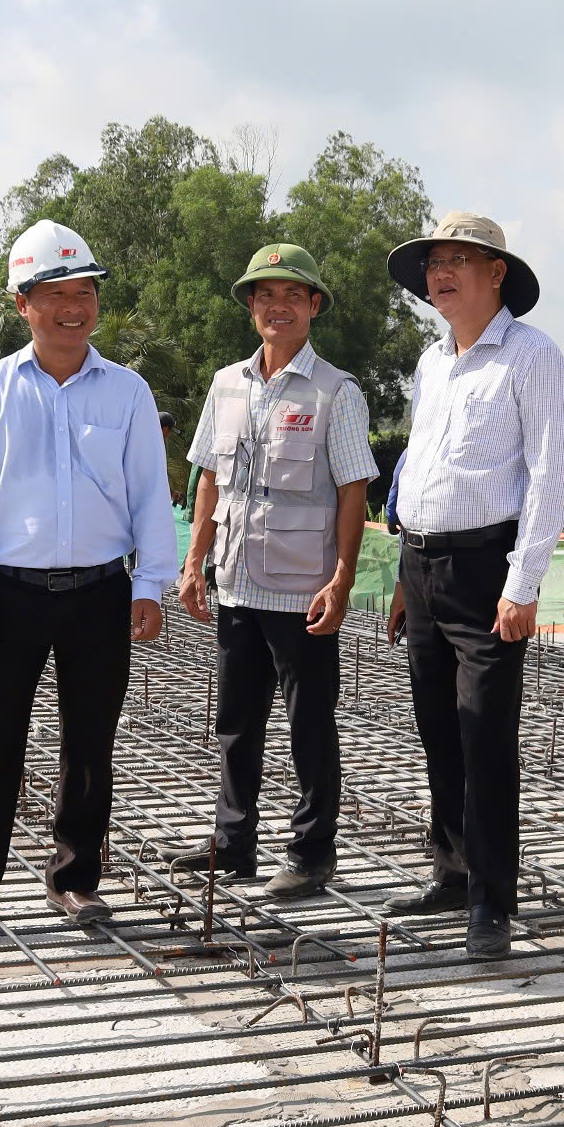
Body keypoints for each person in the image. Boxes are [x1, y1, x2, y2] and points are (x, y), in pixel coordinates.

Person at [0, 220, 176, 935]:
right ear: (21, 303)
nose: (75, 306)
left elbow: (148, 495)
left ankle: (74, 878)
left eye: (85, 291)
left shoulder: (126, 392)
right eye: (55, 293)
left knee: (90, 742)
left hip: (100, 592)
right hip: (8, 593)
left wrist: (150, 583)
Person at [379, 213, 564, 958]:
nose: (441, 273)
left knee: (486, 736)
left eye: (460, 259)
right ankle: (453, 871)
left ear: (498, 273)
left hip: (488, 568)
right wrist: (404, 571)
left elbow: (549, 475)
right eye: (434, 262)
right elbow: (421, 469)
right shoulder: (434, 362)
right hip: (424, 568)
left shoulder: (532, 357)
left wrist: (523, 584)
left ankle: (493, 897)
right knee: (437, 729)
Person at [172, 244, 376, 898]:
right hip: (235, 579)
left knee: (309, 723)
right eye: (265, 294)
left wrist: (342, 578)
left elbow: (352, 490)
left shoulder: (335, 392)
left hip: (300, 587)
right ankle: (232, 844)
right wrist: (194, 561)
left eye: (292, 295)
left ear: (313, 306)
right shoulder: (227, 383)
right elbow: (210, 477)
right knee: (236, 720)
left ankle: (312, 853)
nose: (276, 306)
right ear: (251, 307)